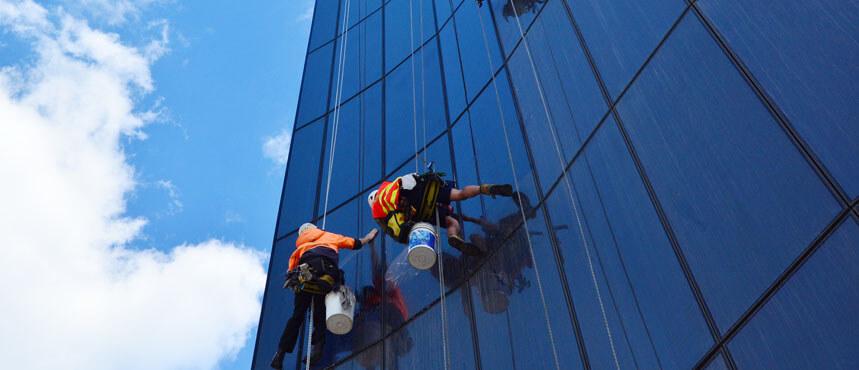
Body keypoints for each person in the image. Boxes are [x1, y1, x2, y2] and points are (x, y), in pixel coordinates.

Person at [270, 223, 379, 369]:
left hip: (305, 273)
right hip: (327, 272)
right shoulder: (330, 236)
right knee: (320, 314)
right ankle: (317, 351)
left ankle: (280, 353)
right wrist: (368, 237)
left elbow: (290, 272)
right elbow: (355, 243)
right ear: (316, 229)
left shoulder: (299, 248)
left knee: (297, 316)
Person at [367, 171, 513, 256]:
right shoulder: (391, 187)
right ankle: (486, 189)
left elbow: (400, 233)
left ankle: (453, 237)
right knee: (460, 194)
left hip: (421, 214)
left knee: (452, 223)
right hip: (423, 193)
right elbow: (412, 178)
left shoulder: (383, 213)